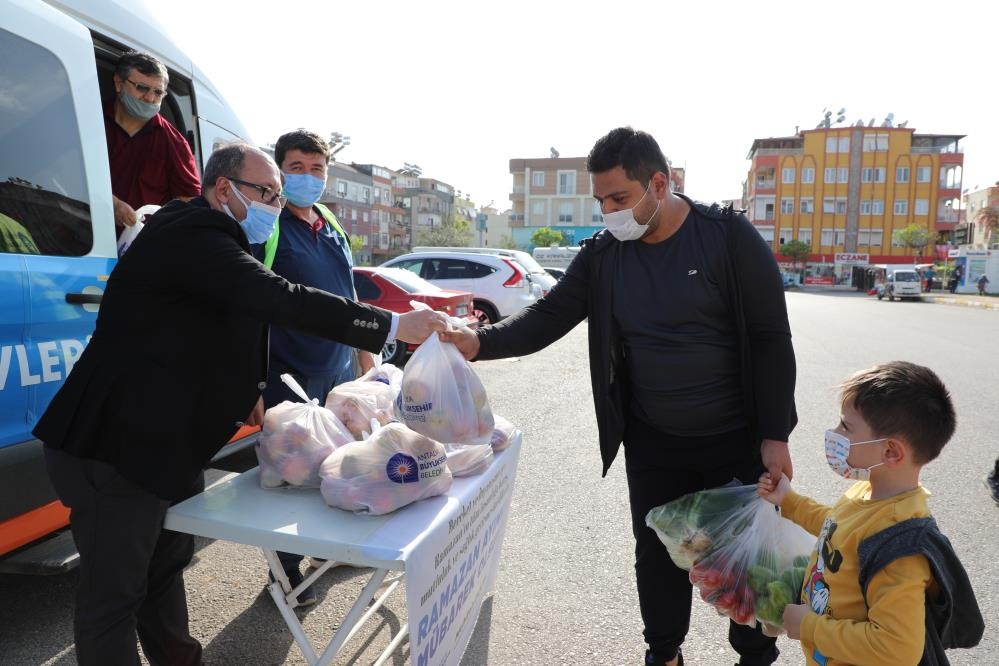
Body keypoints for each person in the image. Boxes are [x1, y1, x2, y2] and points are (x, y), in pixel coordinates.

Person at [33, 142, 450, 666]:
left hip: (163, 442)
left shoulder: (220, 237)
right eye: (267, 192)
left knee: (165, 563)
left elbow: (243, 317)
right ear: (224, 188)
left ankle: (179, 658)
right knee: (113, 593)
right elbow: (278, 297)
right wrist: (388, 323)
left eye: (278, 194)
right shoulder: (190, 233)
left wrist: (251, 386)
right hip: (113, 444)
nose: (275, 204)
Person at [441, 127, 797, 666]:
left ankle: (754, 656)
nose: (609, 212)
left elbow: (772, 336)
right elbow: (548, 316)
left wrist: (775, 435)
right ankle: (664, 653)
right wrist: (478, 342)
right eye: (601, 200)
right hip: (654, 438)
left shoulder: (726, 237)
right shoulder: (606, 255)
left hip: (735, 437)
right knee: (655, 555)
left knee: (745, 560)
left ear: (660, 182)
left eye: (619, 199)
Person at [757, 361, 983, 665]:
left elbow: (897, 649)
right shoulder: (870, 492)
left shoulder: (899, 545)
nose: (834, 434)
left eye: (846, 427)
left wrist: (809, 626)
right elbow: (838, 527)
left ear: (890, 452)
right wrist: (790, 501)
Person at [251, 129, 371, 604]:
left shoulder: (329, 222)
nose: (307, 177)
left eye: (316, 168)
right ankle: (285, 576)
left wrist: (366, 360)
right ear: (279, 172)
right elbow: (250, 302)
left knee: (336, 466)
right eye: (296, 168)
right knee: (289, 476)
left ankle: (323, 553)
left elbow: (350, 296)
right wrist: (251, 384)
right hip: (288, 374)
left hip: (337, 371)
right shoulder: (267, 224)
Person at [105, 50, 201, 231]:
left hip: (136, 248)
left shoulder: (174, 143)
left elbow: (189, 203)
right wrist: (112, 204)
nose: (149, 98)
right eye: (141, 88)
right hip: (75, 237)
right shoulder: (90, 120)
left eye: (158, 92)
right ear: (119, 83)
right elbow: (63, 172)